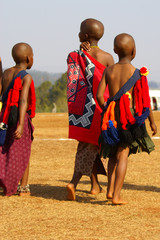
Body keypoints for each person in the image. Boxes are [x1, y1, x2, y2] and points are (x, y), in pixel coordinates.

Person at [96, 33, 157, 205]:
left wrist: (108, 110)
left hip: (111, 118)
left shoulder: (108, 70)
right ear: (134, 51)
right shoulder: (138, 73)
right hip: (128, 119)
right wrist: (151, 121)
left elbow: (100, 95)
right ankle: (116, 196)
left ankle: (109, 190)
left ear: (114, 50)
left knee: (113, 155)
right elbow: (144, 101)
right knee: (123, 153)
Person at [66, 18, 114, 200]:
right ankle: (88, 185)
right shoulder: (107, 57)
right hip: (102, 109)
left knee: (87, 147)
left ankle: (78, 183)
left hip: (84, 112)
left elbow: (72, 67)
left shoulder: (77, 54)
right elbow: (112, 82)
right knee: (91, 147)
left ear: (84, 35)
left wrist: (80, 51)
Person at [0, 43, 36, 196]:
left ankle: (4, 183)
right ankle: (23, 187)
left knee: (4, 149)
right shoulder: (26, 77)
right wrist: (21, 124)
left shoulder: (6, 73)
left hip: (4, 117)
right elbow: (23, 101)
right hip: (18, 117)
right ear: (29, 58)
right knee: (24, 151)